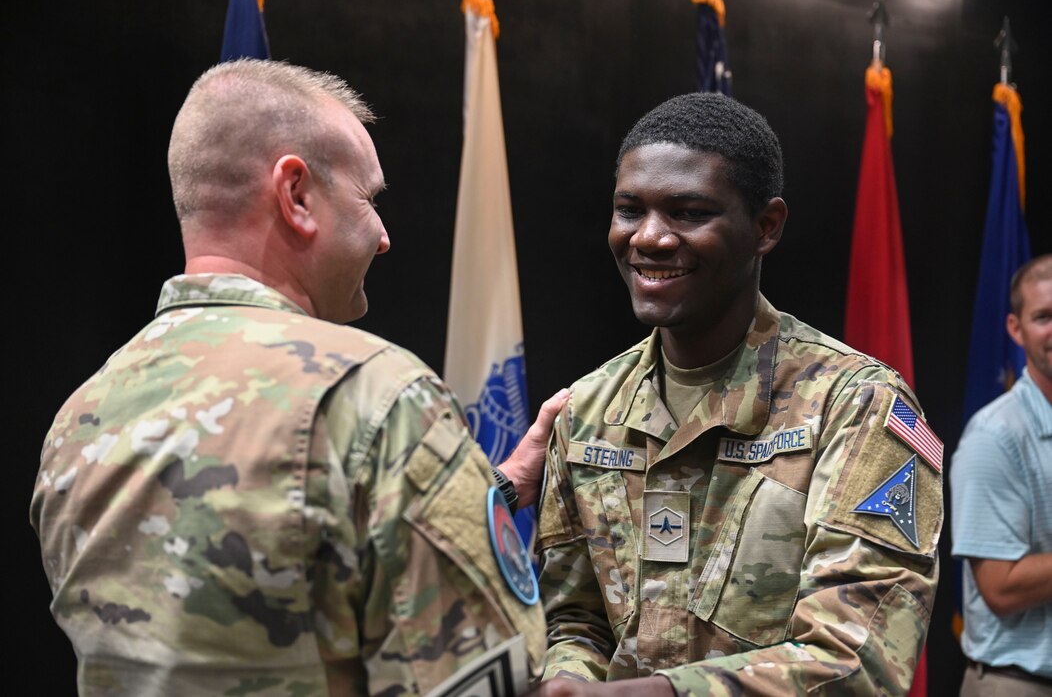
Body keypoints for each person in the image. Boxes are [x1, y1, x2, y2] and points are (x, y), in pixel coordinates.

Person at [30, 59, 567, 696]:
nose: (385, 237)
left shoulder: (79, 418)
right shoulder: (375, 397)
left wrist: (490, 489)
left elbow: (229, 576)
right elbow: (485, 682)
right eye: (369, 199)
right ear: (296, 195)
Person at [534, 93, 942, 695]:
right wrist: (568, 680)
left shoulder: (855, 406)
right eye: (629, 210)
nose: (649, 238)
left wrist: (657, 694)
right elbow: (575, 618)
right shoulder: (589, 409)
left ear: (765, 227)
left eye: (688, 212)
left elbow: (859, 658)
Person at [951, 254, 1052, 696]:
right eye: (1044, 316)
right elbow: (1002, 588)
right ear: (1016, 329)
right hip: (1018, 684)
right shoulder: (995, 436)